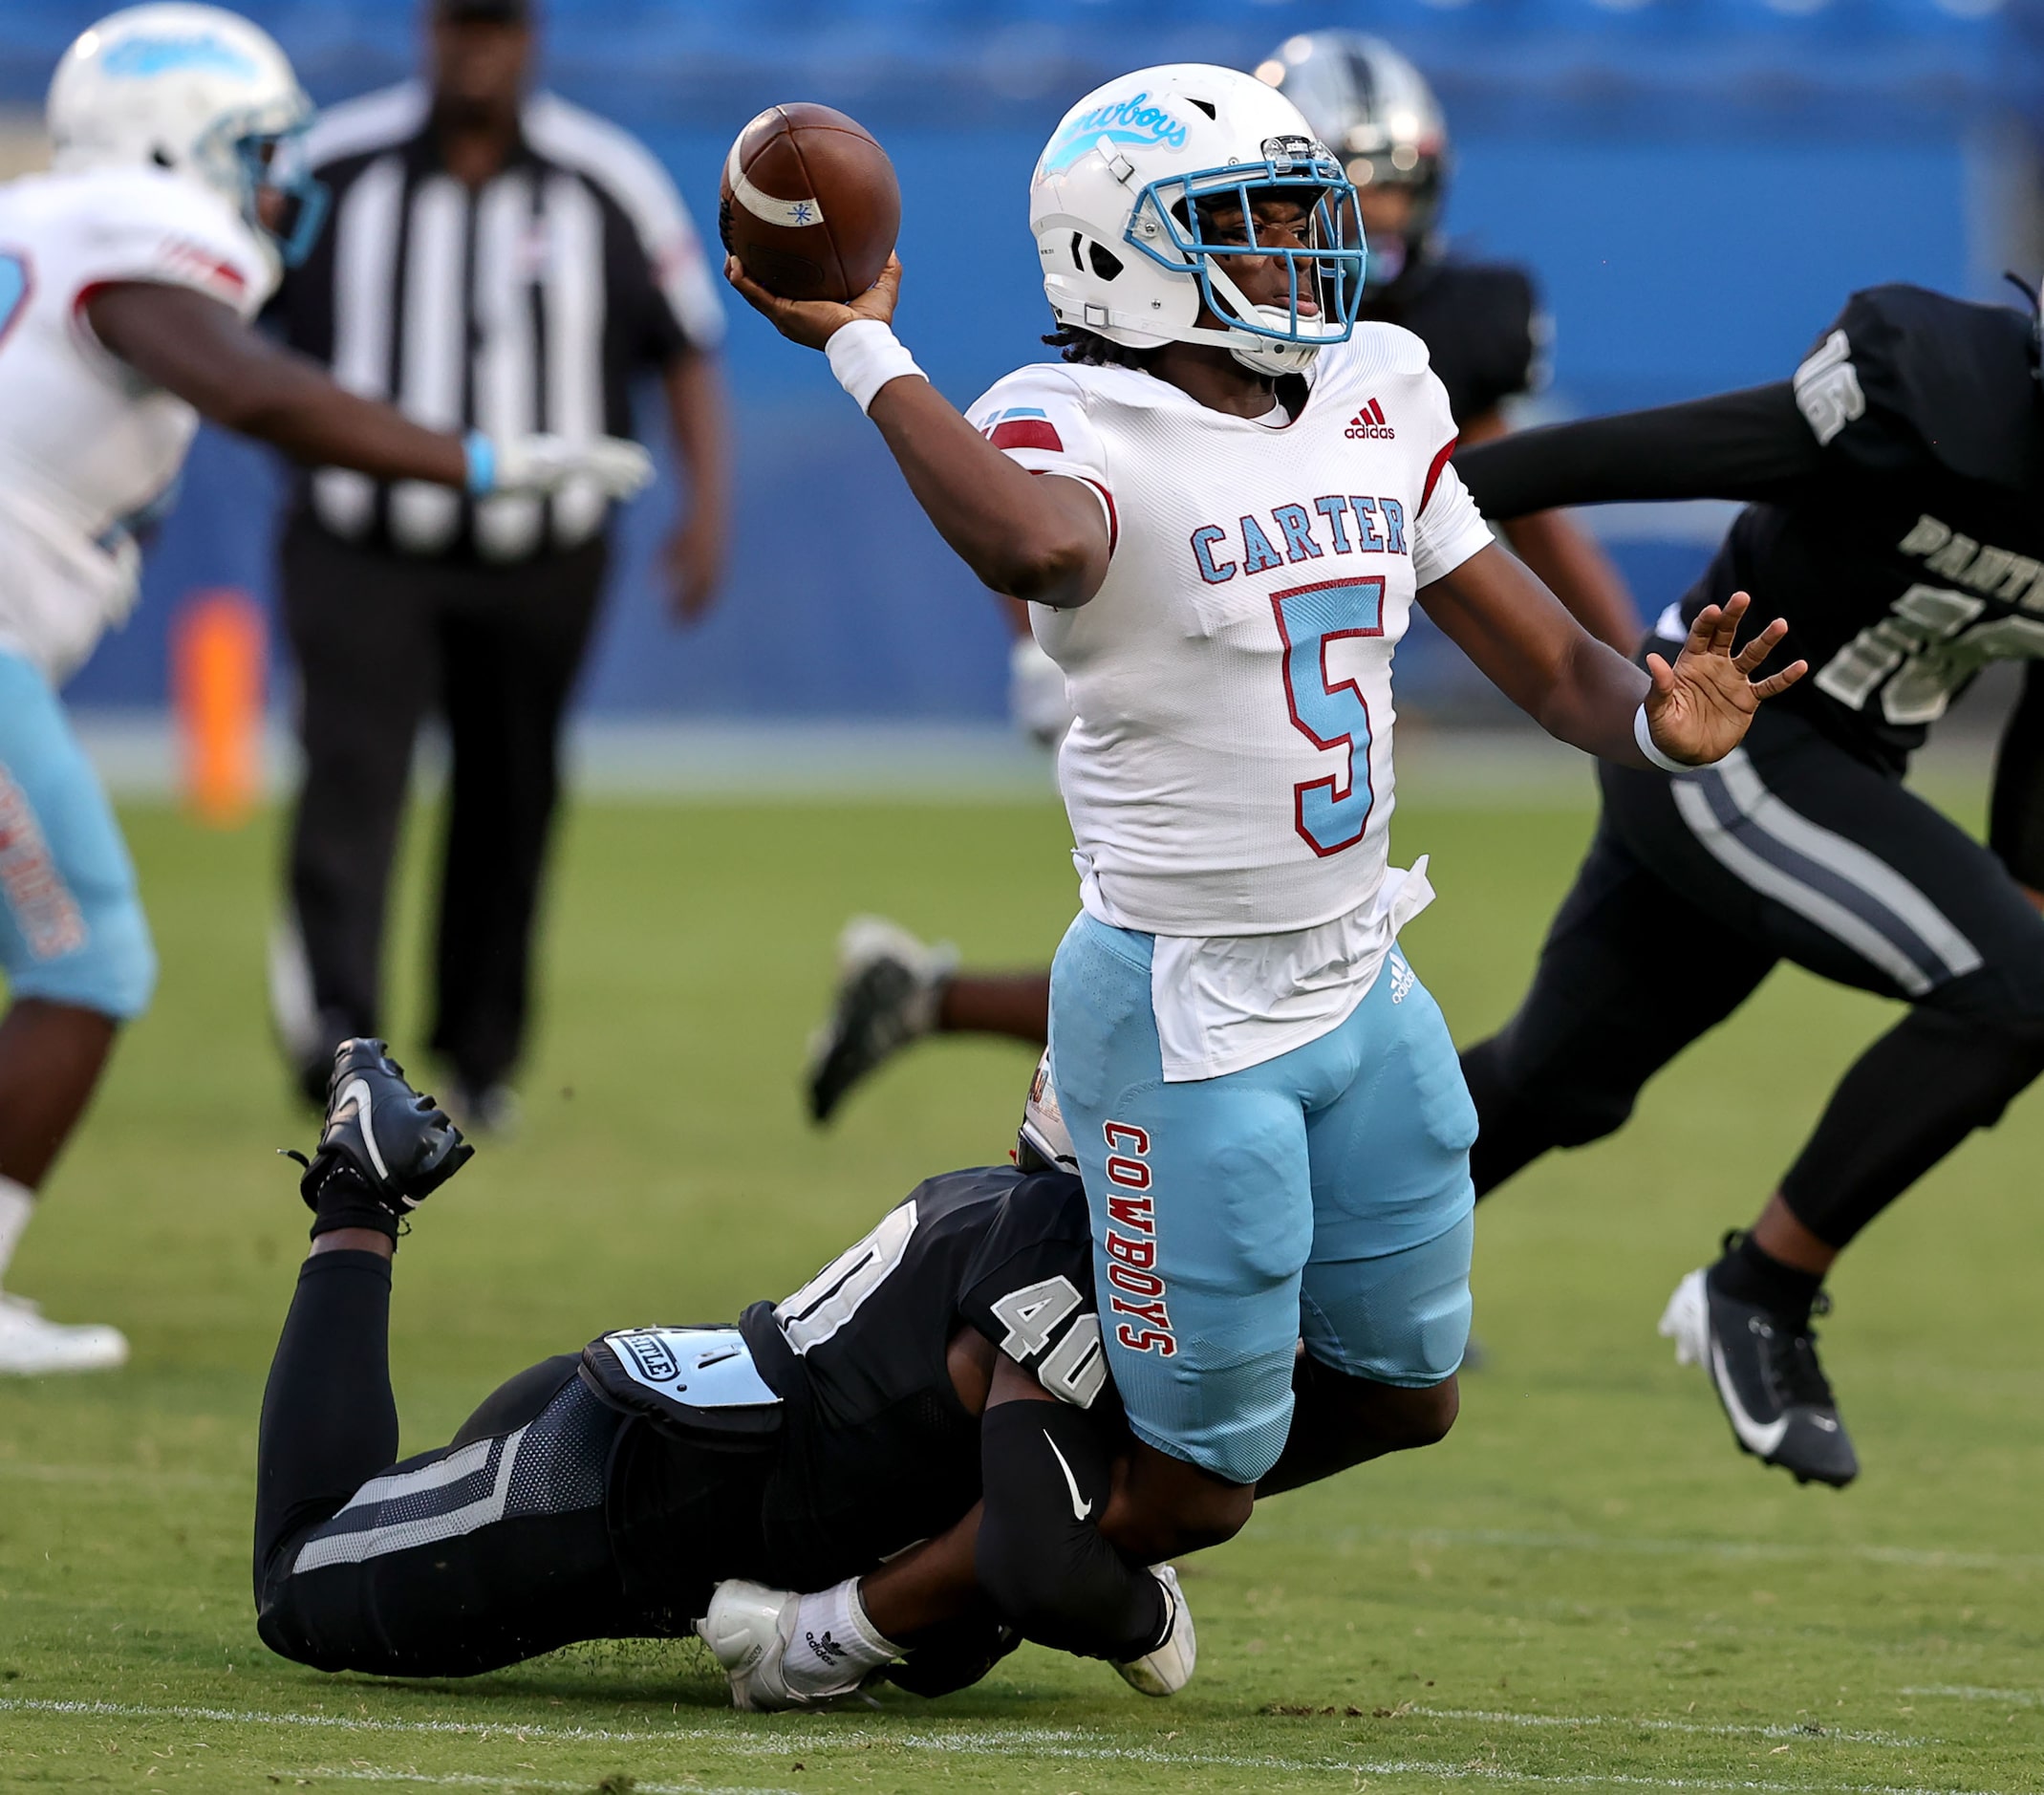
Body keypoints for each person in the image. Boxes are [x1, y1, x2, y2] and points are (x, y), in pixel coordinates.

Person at [730, 63, 1797, 1556]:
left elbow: (1546, 654)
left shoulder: (1375, 386)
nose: (1303, 245)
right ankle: (872, 1610)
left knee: (1405, 1393)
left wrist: (1651, 718)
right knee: (1195, 1478)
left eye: (1302, 210)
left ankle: (1017, 1543)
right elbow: (1032, 542)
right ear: (1119, 255)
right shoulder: (1063, 419)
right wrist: (861, 346)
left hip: (1359, 961)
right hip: (1181, 995)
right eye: (1251, 220)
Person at [803, 31, 1638, 1126]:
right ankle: (1069, 1165)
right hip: (1193, 635)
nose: (1351, 228)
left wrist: (1636, 673)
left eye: (1376, 193)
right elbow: (1056, 510)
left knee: (1272, 951)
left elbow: (1501, 498)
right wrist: (1029, 652)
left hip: (1334, 654)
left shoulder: (1400, 352)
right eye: (1274, 211)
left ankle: (943, 1013)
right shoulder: (1124, 372)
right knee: (1182, 935)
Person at [0, 3, 650, 1376]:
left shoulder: (43, 218)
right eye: (249, 148)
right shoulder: (133, 233)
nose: (274, 180)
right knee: (89, 954)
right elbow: (251, 388)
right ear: (167, 146)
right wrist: (468, 460)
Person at [257, 1041, 1438, 1706]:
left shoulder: (1070, 1231)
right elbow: (1034, 1559)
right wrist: (1142, 1608)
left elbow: (1402, 1403)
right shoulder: (1057, 1241)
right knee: (302, 1582)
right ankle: (363, 1187)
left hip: (708, 1501)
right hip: (624, 1487)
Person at [1452, 282, 2044, 1488]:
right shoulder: (1932, 396)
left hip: (1843, 767)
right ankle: (1759, 1292)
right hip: (1720, 729)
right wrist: (1376, 512)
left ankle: (1253, 1263)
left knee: (1554, 1083)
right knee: (2024, 993)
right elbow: (1644, 452)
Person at [265, 0, 730, 1125]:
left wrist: (706, 507)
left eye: (500, 26)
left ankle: (481, 1058)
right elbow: (222, 322)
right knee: (351, 782)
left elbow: (684, 341)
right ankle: (338, 1043)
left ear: (532, 39)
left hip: (544, 555)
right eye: (460, 24)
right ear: (427, 32)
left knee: (510, 797)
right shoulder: (335, 167)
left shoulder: (603, 177)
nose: (479, 48)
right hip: (360, 542)